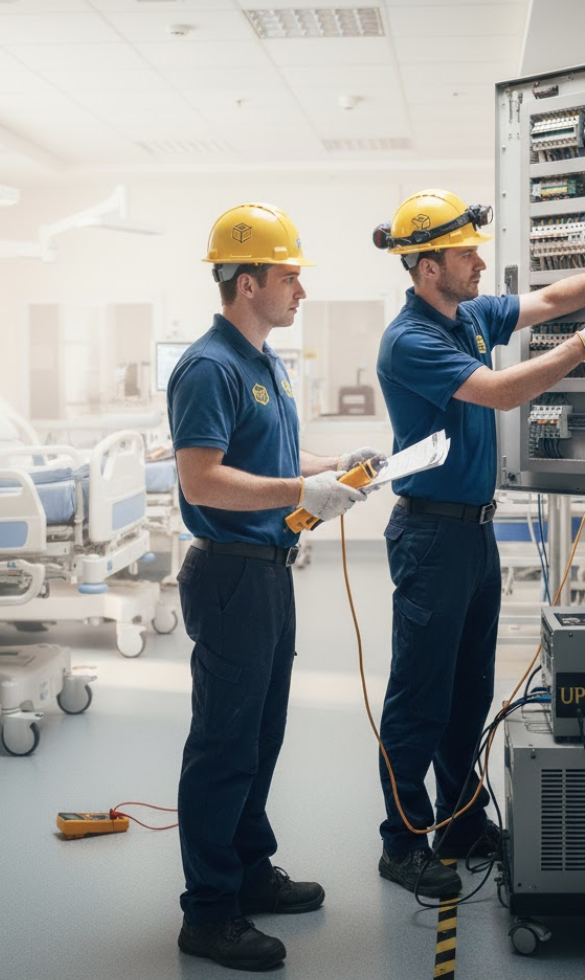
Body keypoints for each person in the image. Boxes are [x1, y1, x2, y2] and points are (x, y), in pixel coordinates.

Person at [371, 188, 585, 898]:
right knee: (419, 698)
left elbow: (543, 299)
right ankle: (402, 841)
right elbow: (503, 392)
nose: (480, 260)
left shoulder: (468, 314)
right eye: (464, 252)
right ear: (426, 269)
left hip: (471, 537)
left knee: (469, 690)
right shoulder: (411, 340)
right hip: (431, 536)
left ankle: (462, 822)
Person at [169, 201, 384, 972]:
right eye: (290, 277)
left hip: (268, 574)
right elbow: (203, 481)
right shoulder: (209, 366)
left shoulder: (264, 364)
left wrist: (329, 471)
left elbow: (265, 462)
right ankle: (209, 912)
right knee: (224, 745)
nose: (301, 291)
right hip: (229, 576)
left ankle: (249, 870)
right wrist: (300, 488)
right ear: (248, 280)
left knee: (261, 739)